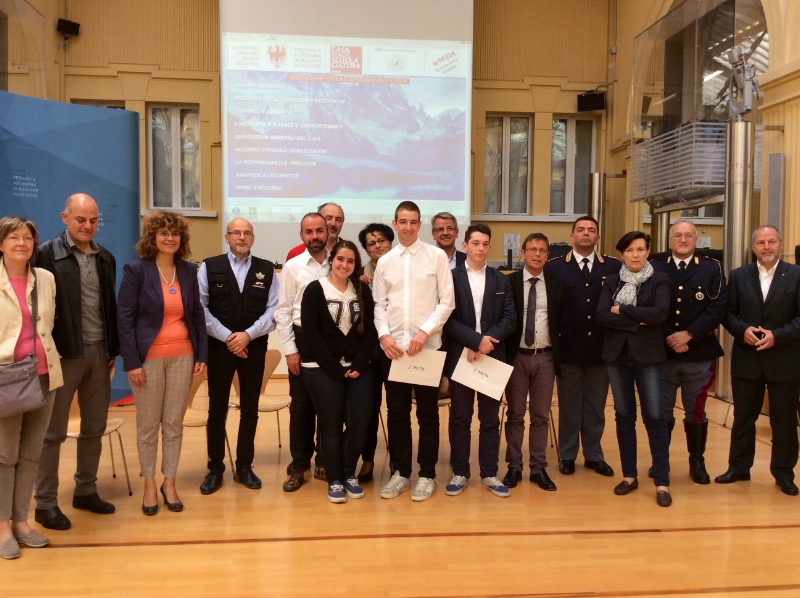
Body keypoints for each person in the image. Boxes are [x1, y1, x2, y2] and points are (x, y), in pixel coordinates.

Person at [33, 194, 120, 532]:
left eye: (93, 220)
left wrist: (113, 348)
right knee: (52, 432)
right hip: (62, 355)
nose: (87, 226)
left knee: (94, 426)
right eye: (81, 219)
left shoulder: (105, 257)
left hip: (100, 353)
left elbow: (109, 307)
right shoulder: (44, 255)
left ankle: (85, 490)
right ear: (65, 217)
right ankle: (45, 503)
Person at [117, 211, 208, 515]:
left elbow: (196, 314)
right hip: (147, 360)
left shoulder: (188, 271)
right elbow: (125, 319)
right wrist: (132, 362)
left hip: (183, 356)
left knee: (173, 424)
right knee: (147, 426)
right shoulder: (136, 270)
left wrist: (201, 354)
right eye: (164, 233)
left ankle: (169, 482)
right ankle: (149, 484)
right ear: (152, 237)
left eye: (175, 233)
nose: (170, 238)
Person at [373, 201, 455, 501]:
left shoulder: (436, 257)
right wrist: (384, 336)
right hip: (394, 350)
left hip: (427, 348)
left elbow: (447, 301)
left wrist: (424, 332)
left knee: (428, 414)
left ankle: (427, 474)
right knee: (397, 413)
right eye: (402, 222)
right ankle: (401, 473)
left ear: (419, 225)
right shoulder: (385, 261)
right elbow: (379, 304)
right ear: (394, 224)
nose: (407, 227)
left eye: (413, 222)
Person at [717, 225, 800, 496]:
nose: (767, 247)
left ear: (780, 244)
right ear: (753, 247)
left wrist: (778, 336)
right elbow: (727, 314)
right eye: (761, 242)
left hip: (784, 360)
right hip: (747, 359)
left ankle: (784, 474)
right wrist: (743, 330)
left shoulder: (797, 275)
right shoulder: (739, 276)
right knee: (743, 417)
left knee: (784, 421)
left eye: (771, 242)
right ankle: (739, 468)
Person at [197, 218, 278, 494]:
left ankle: (244, 466)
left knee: (250, 409)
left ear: (253, 238)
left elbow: (273, 310)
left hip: (253, 348)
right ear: (227, 237)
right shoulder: (209, 266)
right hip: (219, 349)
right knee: (216, 409)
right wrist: (229, 338)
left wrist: (247, 335)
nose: (241, 237)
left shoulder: (266, 269)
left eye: (246, 233)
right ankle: (215, 468)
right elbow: (200, 308)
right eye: (236, 233)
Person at [0, 217, 63, 560]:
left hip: (43, 375)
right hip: (6, 379)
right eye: (14, 237)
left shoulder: (46, 279)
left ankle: (22, 522)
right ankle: (2, 526)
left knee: (31, 454)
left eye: (27, 238)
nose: (21, 243)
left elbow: (49, 326)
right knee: (5, 456)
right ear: (1, 244)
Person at [596, 231, 672, 507]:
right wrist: (637, 320)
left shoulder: (659, 279)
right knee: (624, 416)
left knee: (655, 417)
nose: (635, 254)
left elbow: (659, 314)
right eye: (630, 250)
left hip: (649, 356)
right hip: (617, 356)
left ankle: (662, 482)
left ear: (648, 252)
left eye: (640, 249)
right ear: (622, 255)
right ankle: (629, 476)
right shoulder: (612, 281)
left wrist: (622, 310)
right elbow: (602, 315)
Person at [442, 224, 516, 498]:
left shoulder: (501, 280)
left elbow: (510, 318)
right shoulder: (450, 278)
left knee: (489, 420)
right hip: (461, 357)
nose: (481, 248)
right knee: (461, 417)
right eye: (475, 243)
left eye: (485, 244)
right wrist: (474, 341)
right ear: (465, 246)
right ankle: (460, 472)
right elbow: (447, 319)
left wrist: (484, 344)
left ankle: (489, 473)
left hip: (491, 357)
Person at [300, 241, 377, 503]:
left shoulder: (363, 290)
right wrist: (334, 368)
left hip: (359, 369)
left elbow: (370, 332)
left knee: (359, 424)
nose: (345, 265)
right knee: (330, 425)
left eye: (351, 261)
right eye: (340, 259)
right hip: (323, 369)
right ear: (332, 260)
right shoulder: (315, 289)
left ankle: (348, 473)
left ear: (356, 265)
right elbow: (311, 333)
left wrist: (359, 365)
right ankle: (334, 478)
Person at [651, 219, 726, 484]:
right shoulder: (655, 267)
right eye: (678, 235)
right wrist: (671, 336)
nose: (683, 240)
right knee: (661, 412)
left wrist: (689, 334)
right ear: (669, 240)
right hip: (663, 353)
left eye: (688, 236)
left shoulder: (711, 268)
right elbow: (647, 306)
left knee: (696, 412)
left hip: (698, 353)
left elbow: (718, 308)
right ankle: (661, 462)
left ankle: (697, 461)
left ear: (696, 240)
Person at [546, 216, 619, 478]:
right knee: (569, 407)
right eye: (580, 230)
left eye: (591, 230)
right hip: (568, 348)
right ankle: (567, 455)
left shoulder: (613, 266)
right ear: (572, 236)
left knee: (595, 407)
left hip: (600, 348)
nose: (585, 234)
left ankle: (593, 455)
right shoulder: (555, 267)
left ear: (598, 237)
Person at [503, 233, 564, 492]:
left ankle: (538, 468)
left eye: (542, 250)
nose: (537, 254)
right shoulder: (510, 282)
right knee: (515, 414)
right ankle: (514, 466)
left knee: (540, 416)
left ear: (547, 255)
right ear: (523, 252)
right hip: (516, 357)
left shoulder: (557, 284)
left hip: (546, 357)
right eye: (532, 249)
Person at [276, 212, 330, 492]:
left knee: (329, 405)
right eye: (309, 232)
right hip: (302, 341)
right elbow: (283, 310)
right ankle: (299, 465)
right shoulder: (293, 267)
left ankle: (324, 460)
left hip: (332, 343)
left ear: (328, 232)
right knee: (301, 407)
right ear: (301, 236)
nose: (315, 236)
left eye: (319, 230)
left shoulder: (339, 262)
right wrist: (290, 351)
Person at [355, 222, 394, 482]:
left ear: (391, 242)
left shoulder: (403, 269)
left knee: (397, 408)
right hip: (369, 354)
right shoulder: (357, 275)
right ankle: (367, 460)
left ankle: (397, 461)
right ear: (366, 249)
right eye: (371, 243)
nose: (377, 246)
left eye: (381, 240)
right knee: (368, 409)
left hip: (396, 350)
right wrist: (360, 288)